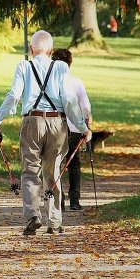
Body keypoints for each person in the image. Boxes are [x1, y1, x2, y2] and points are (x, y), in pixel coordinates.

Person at [0, 30, 92, 236]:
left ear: (31, 49)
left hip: (31, 122)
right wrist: (83, 128)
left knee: (30, 171)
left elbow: (14, 96)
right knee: (53, 171)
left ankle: (33, 216)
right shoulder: (61, 67)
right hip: (57, 123)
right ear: (51, 50)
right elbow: (69, 100)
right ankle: (54, 222)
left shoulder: (23, 66)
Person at [52, 49, 92, 211]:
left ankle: (59, 200)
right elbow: (85, 107)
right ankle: (74, 200)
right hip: (75, 127)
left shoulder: (50, 83)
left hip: (55, 126)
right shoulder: (76, 82)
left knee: (56, 163)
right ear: (70, 63)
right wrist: (87, 123)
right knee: (74, 163)